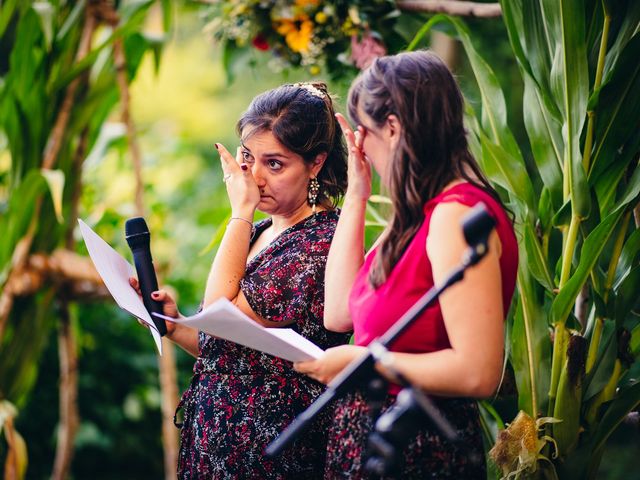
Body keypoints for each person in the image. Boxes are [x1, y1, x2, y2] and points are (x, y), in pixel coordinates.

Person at [293, 51, 519, 479]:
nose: (360, 147)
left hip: (420, 445)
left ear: (393, 128)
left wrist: (368, 363)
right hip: (376, 439)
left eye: (365, 133)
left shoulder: (455, 214)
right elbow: (339, 312)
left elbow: (478, 371)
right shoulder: (417, 214)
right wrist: (358, 191)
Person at [132, 82, 350, 479]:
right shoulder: (264, 229)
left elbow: (219, 313)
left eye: (276, 164)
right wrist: (175, 323)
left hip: (272, 448)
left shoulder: (319, 244)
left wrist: (240, 211)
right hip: (219, 441)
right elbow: (227, 345)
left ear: (316, 164)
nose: (255, 178)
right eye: (248, 158)